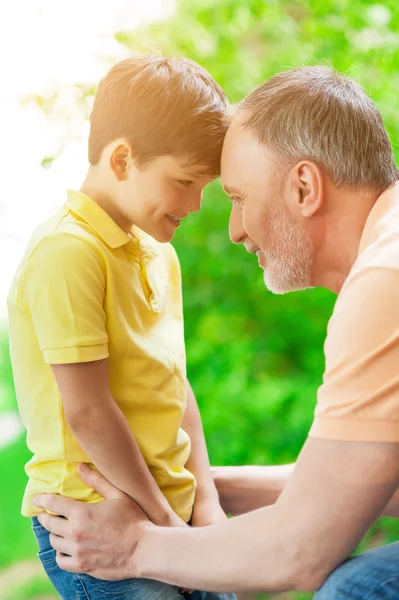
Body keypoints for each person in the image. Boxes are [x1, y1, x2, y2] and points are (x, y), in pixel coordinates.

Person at [33, 65, 399, 598]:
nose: (234, 229)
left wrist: (138, 544)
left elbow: (299, 552)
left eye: (239, 197)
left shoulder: (383, 281)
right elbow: (373, 483)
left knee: (352, 591)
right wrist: (199, 488)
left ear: (304, 186)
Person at [8, 55, 236, 600]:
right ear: (122, 158)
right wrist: (164, 527)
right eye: (184, 181)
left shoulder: (158, 253)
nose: (195, 204)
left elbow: (174, 384)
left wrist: (204, 504)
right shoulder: (68, 252)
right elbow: (87, 410)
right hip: (95, 521)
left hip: (167, 513)